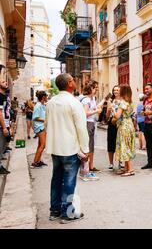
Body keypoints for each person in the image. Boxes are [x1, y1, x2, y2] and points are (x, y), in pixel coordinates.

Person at [46, 73, 89, 223]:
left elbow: (47, 125)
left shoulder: (51, 102)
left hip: (55, 148)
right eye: (72, 80)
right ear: (70, 84)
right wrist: (85, 149)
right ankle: (67, 213)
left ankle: (55, 210)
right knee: (69, 181)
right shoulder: (74, 102)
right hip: (70, 148)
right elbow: (81, 128)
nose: (74, 81)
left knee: (56, 179)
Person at [80, 83, 104, 179]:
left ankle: (88, 168)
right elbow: (85, 113)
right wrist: (96, 111)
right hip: (88, 123)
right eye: (95, 88)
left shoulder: (91, 99)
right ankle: (85, 171)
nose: (96, 90)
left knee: (90, 146)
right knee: (88, 146)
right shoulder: (86, 100)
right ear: (90, 89)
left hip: (91, 123)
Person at [112, 85, 136, 177]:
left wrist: (114, 110)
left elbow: (117, 116)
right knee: (127, 145)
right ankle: (126, 168)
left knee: (124, 146)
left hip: (124, 125)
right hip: (129, 124)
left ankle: (130, 169)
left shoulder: (123, 103)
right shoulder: (130, 102)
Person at [30, 91, 48, 168]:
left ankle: (38, 161)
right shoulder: (38, 106)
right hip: (40, 127)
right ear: (43, 97)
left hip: (41, 126)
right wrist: (46, 120)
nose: (47, 98)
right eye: (46, 96)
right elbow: (35, 118)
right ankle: (34, 163)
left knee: (40, 145)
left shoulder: (42, 105)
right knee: (43, 145)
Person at [106, 85, 121, 170]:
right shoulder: (110, 101)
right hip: (112, 123)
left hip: (120, 122)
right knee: (111, 143)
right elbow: (107, 117)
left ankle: (120, 162)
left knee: (120, 143)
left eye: (117, 90)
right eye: (114, 90)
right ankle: (111, 163)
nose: (115, 91)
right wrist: (108, 110)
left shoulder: (123, 101)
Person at [0, 79, 11, 175]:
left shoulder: (4, 96)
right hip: (1, 125)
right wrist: (4, 127)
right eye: (3, 82)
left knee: (3, 145)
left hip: (5, 123)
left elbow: (5, 112)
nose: (6, 83)